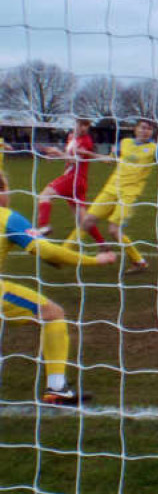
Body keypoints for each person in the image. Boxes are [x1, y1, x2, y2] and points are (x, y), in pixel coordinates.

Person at [0, 171, 117, 404]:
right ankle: (56, 387)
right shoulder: (7, 217)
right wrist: (95, 260)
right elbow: (48, 251)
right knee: (52, 313)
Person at [66, 118, 158, 274]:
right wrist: (87, 153)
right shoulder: (124, 142)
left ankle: (139, 261)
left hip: (128, 195)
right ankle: (63, 251)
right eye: (143, 127)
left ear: (152, 132)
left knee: (113, 230)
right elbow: (109, 160)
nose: (145, 131)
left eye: (149, 129)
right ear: (136, 129)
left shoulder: (155, 148)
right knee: (87, 221)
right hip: (111, 189)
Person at [37, 118, 105, 246]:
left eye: (87, 126)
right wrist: (54, 154)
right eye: (82, 125)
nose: (84, 128)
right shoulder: (71, 137)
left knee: (45, 195)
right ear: (76, 125)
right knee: (83, 220)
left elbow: (74, 161)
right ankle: (103, 244)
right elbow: (68, 157)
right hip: (76, 180)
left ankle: (43, 226)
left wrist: (58, 153)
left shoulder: (86, 141)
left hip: (74, 178)